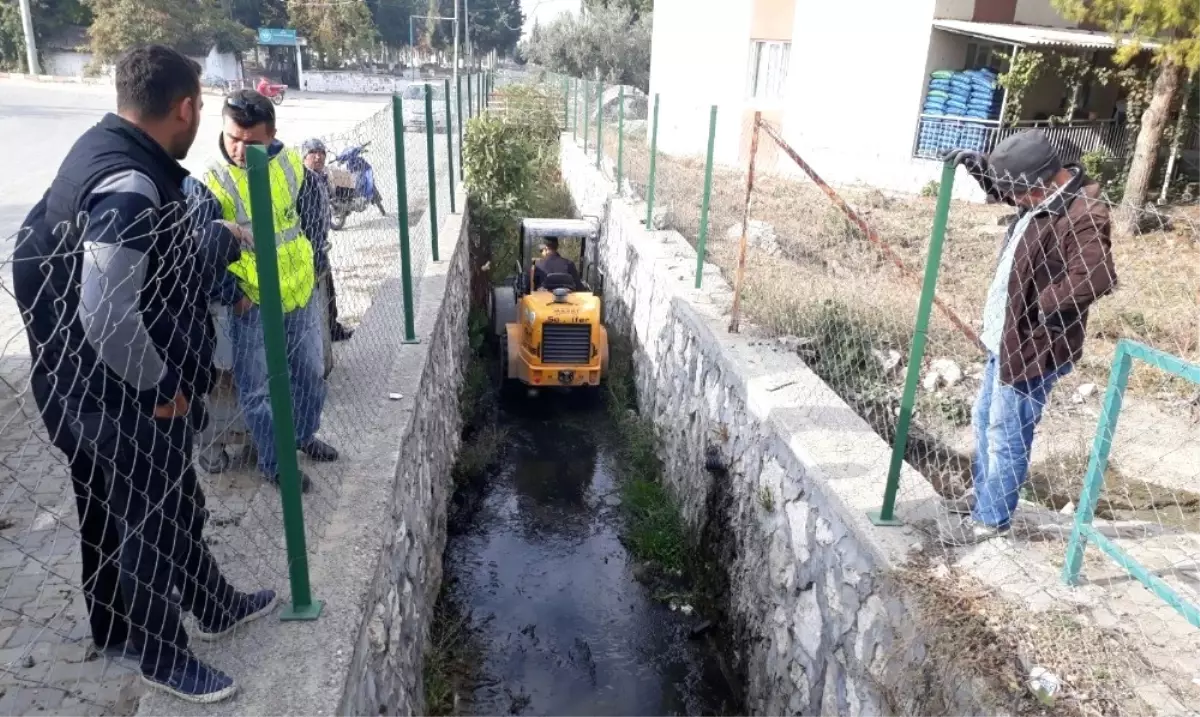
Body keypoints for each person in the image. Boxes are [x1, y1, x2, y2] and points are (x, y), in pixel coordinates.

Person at [13, 44, 277, 703]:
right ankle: (162, 655)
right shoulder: (130, 185)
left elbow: (33, 250)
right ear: (186, 108)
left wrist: (56, 348)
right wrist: (158, 385)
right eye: (200, 110)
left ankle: (208, 606)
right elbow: (106, 311)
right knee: (148, 524)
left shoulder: (102, 151)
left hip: (85, 384)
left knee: (163, 505)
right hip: (125, 397)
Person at [941, 131, 1117, 545]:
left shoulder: (1082, 212)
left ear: (1044, 181)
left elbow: (1097, 275)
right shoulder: (1041, 196)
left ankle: (993, 518)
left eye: (1019, 193)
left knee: (1006, 433)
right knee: (985, 420)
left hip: (1034, 345)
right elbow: (1010, 188)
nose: (1014, 201)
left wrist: (1041, 309)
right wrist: (977, 165)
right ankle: (986, 496)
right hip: (1005, 340)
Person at [191, 90, 339, 493]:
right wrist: (233, 294)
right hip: (251, 303)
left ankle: (302, 435)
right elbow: (201, 248)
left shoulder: (290, 162)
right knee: (258, 390)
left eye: (251, 141)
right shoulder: (209, 180)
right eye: (232, 137)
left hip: (298, 292)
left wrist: (312, 262)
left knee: (309, 373)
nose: (239, 149)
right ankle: (277, 464)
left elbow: (311, 212)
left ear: (272, 134)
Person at [301, 138, 353, 342]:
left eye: (321, 152)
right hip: (310, 248)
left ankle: (332, 329)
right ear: (304, 156)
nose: (318, 156)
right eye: (313, 152)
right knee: (319, 294)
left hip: (320, 245)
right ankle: (325, 334)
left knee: (328, 291)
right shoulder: (305, 182)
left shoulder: (321, 178)